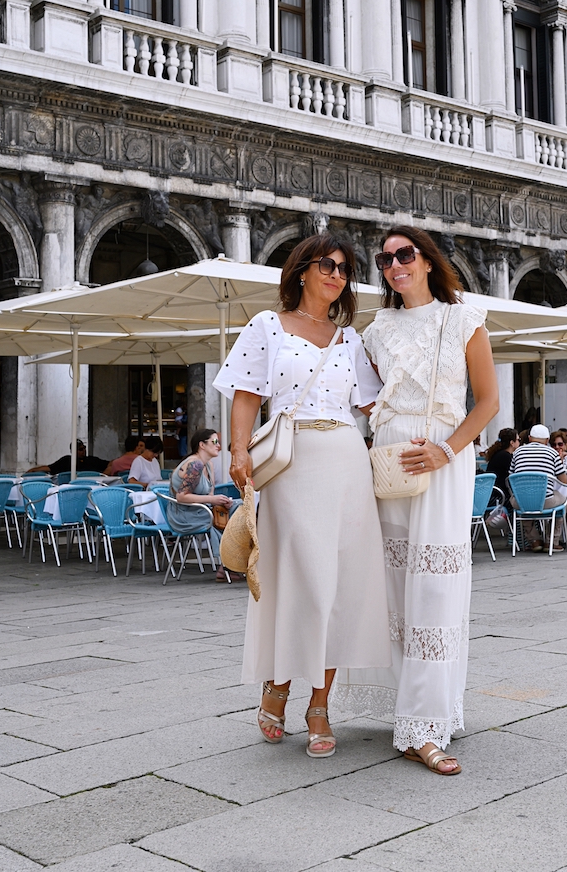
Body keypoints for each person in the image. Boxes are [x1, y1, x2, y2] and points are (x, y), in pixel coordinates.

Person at [215, 232, 390, 759]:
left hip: (346, 460)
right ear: (302, 270)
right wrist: (239, 450)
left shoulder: (350, 339)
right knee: (296, 580)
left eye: (344, 268)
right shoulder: (266, 326)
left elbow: (373, 405)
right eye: (326, 265)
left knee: (339, 586)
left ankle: (319, 704)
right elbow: (247, 393)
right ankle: (277, 685)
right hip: (291, 464)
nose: (336, 274)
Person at [341, 225, 498, 777]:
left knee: (435, 587)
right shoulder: (375, 330)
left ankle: (426, 724)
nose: (394, 265)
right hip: (389, 457)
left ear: (428, 260)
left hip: (444, 457)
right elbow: (362, 398)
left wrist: (445, 450)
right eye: (384, 259)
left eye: (404, 254)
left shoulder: (464, 319)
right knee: (393, 588)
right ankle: (410, 708)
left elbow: (488, 402)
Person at [166, 429, 241, 582]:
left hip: (201, 510)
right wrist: (213, 500)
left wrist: (222, 501)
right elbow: (181, 496)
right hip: (185, 515)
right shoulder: (195, 465)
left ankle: (230, 564)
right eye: (215, 442)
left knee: (241, 507)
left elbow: (209, 496)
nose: (219, 445)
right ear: (202, 445)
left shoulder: (208, 465)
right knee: (236, 516)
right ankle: (229, 565)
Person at [510, 424, 567, 551]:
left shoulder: (517, 452)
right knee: (564, 500)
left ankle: (534, 540)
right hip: (546, 501)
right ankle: (552, 541)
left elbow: (511, 476)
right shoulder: (552, 453)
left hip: (521, 501)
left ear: (530, 438)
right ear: (547, 440)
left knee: (523, 499)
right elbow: (564, 481)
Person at [29, 440, 108, 476]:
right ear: (74, 451)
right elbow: (50, 468)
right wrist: (33, 470)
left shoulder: (92, 460)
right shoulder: (66, 460)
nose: (84, 451)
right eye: (80, 449)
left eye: (84, 448)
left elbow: (110, 464)